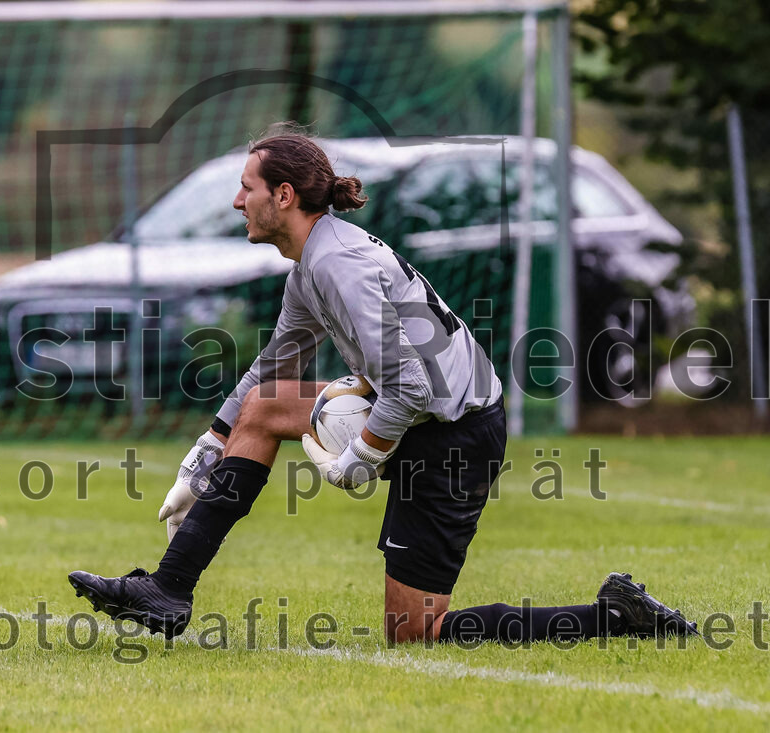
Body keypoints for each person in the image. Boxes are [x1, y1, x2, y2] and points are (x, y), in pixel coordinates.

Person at [68, 129, 698, 644]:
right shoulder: (313, 263)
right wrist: (208, 448)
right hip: (425, 418)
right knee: (261, 410)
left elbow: (409, 386)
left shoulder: (337, 263)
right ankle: (169, 589)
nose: (237, 202)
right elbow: (275, 363)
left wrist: (361, 454)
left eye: (246, 188)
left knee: (415, 633)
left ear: (283, 196)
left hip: (457, 435)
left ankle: (613, 617)